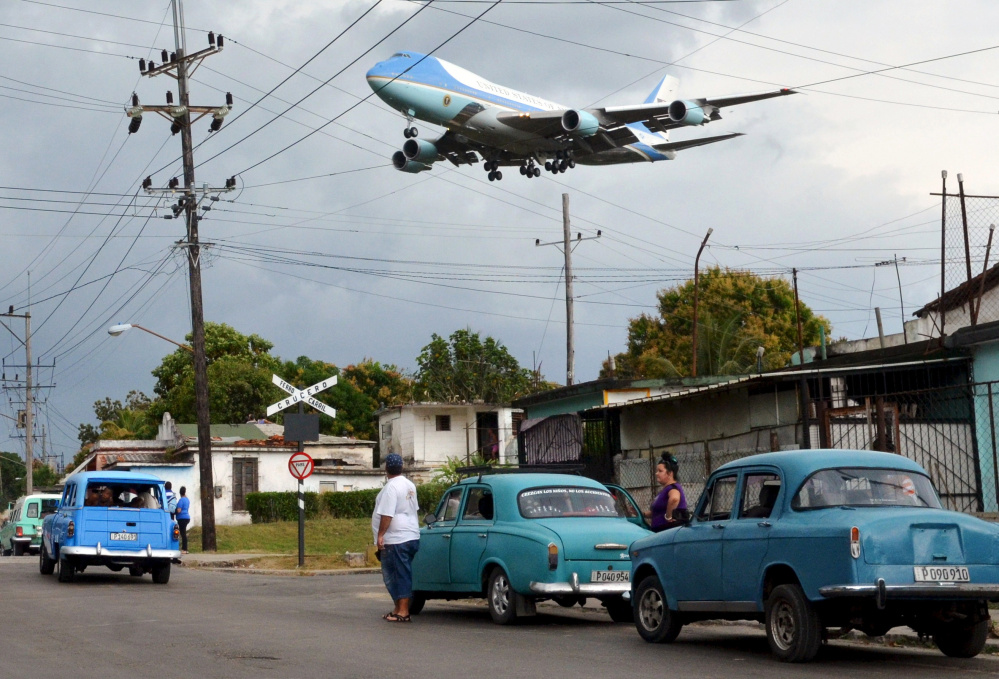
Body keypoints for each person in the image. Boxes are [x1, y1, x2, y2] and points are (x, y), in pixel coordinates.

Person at [371, 453, 420, 623]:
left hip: (397, 539)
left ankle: (404, 611)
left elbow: (387, 514)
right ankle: (398, 609)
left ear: (386, 468)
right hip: (411, 535)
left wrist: (380, 534)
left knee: (397, 575)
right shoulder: (410, 485)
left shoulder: (391, 487)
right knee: (399, 573)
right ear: (401, 467)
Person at [644, 454, 688, 532]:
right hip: (661, 531)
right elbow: (657, 512)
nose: (656, 473)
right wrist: (641, 514)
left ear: (670, 473)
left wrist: (668, 517)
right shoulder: (665, 489)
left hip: (668, 532)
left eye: (660, 471)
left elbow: (674, 499)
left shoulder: (673, 488)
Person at [175, 486, 191, 554]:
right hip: (187, 517)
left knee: (183, 533)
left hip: (182, 518)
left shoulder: (181, 500)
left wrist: (174, 511)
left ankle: (184, 549)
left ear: (180, 493)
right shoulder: (187, 500)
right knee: (183, 533)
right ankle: (185, 548)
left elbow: (179, 510)